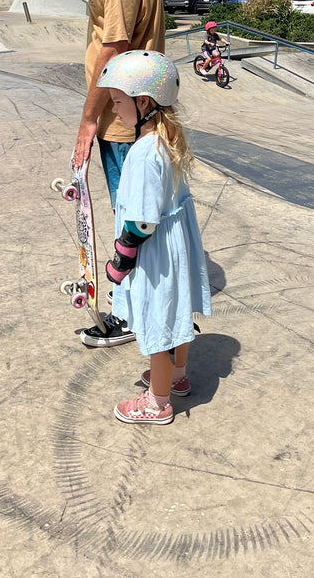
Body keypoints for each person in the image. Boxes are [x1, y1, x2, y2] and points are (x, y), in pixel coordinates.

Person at [44, 0, 165, 349]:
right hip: (129, 112)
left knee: (131, 218)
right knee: (131, 215)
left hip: (121, 119)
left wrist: (88, 121)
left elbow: (112, 52)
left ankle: (134, 314)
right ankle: (137, 307)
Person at [96, 49, 211, 425]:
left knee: (156, 323)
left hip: (154, 253)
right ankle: (176, 377)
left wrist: (120, 262)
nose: (113, 110)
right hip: (172, 248)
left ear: (142, 100)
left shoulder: (145, 154)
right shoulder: (165, 141)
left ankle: (157, 402)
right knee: (174, 314)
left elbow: (142, 223)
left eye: (116, 101)